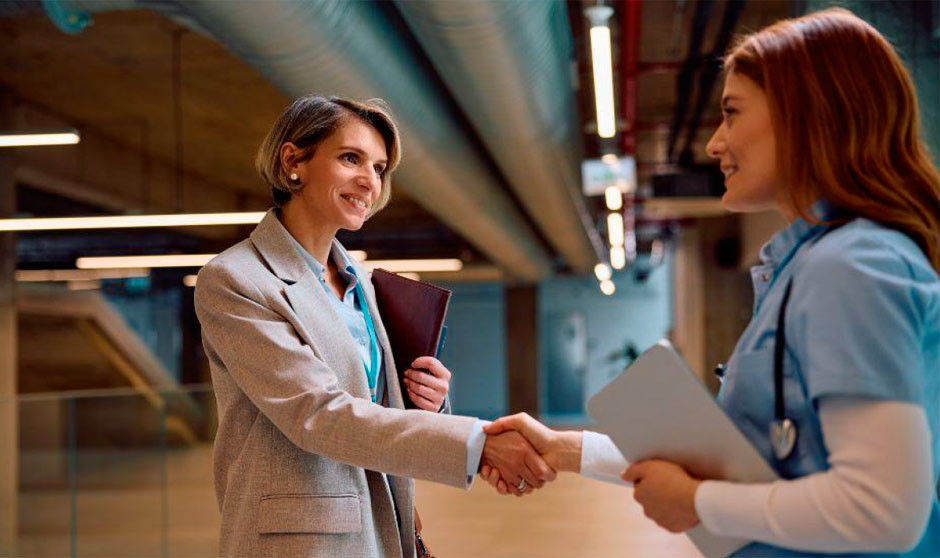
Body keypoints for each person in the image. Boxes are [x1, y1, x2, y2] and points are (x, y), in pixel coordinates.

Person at [481, 8, 940, 557]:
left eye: (732, 113)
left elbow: (883, 510)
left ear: (805, 113)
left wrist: (700, 503)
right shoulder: (813, 264)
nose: (715, 144)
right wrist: (566, 449)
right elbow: (754, 471)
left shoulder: (851, 263)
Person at [194, 95, 554, 557]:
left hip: (381, 523)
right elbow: (318, 414)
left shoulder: (363, 282)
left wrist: (431, 401)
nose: (370, 181)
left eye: (380, 168)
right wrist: (476, 445)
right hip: (301, 541)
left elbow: (375, 403)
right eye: (351, 158)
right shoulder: (235, 280)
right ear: (293, 161)